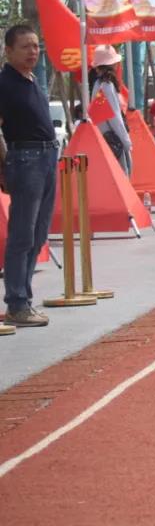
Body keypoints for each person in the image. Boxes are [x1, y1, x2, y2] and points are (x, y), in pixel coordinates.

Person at [0, 25, 55, 329]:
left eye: (36, 46)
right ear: (8, 51)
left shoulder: (32, 80)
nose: (33, 52)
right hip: (25, 158)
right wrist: (5, 165)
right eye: (25, 47)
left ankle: (24, 299)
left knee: (39, 234)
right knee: (22, 235)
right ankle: (17, 303)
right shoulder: (5, 83)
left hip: (46, 157)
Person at [90, 45, 132, 175]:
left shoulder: (97, 85)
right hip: (114, 142)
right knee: (122, 178)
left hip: (104, 141)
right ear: (112, 65)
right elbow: (115, 118)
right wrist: (126, 142)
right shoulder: (107, 86)